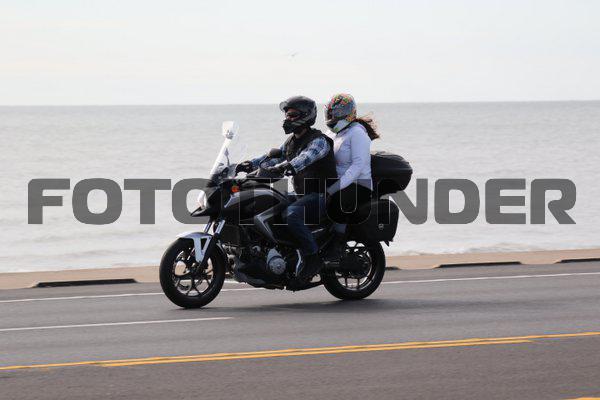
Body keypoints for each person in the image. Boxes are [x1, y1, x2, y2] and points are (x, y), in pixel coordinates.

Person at [236, 95, 338, 285]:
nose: (287, 119)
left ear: (306, 116)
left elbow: (305, 158)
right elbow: (272, 158)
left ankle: (312, 257)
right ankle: (281, 252)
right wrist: (247, 165)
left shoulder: (319, 141)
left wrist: (285, 167)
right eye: (286, 115)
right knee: (268, 205)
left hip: (321, 196)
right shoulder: (292, 141)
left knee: (292, 214)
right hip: (301, 195)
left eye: (292, 115)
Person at [322, 93, 380, 262]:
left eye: (336, 113)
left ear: (347, 113)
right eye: (330, 113)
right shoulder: (333, 133)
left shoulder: (357, 133)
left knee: (337, 202)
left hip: (358, 185)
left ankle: (337, 243)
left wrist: (333, 189)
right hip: (338, 182)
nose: (332, 116)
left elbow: (357, 167)